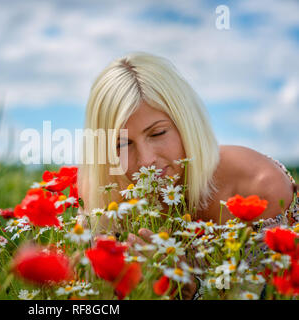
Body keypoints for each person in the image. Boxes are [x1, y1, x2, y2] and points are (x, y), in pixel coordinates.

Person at [77, 52, 299, 298]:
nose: (146, 160)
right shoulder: (101, 192)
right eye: (121, 144)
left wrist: (191, 292)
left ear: (186, 123)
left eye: (158, 133)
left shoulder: (257, 187)